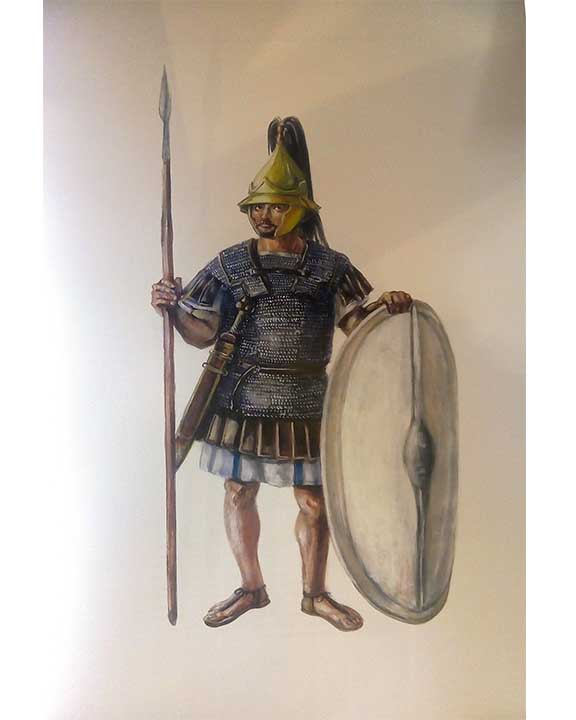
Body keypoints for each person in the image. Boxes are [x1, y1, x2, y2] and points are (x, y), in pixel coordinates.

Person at [151, 117, 411, 631]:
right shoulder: (230, 265)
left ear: (299, 208)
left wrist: (389, 308)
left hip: (307, 399)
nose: (264, 217)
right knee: (238, 491)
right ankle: (252, 588)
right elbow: (202, 334)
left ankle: (315, 594)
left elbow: (357, 328)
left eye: (275, 206)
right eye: (257, 207)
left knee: (314, 500)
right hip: (242, 396)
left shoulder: (330, 267)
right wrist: (172, 308)